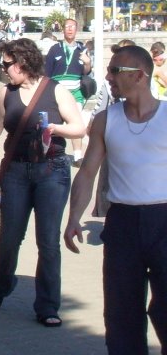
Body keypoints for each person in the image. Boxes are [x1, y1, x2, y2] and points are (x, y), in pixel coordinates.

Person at [0, 38, 86, 327]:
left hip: (52, 171)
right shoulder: (6, 93)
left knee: (48, 242)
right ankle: (1, 286)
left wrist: (56, 129)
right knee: (9, 238)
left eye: (6, 64)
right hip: (16, 172)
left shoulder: (57, 90)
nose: (3, 69)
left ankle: (48, 306)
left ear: (23, 63)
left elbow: (79, 127)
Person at [64, 45, 167, 353]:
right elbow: (86, 173)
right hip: (123, 223)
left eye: (114, 71)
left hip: (164, 221)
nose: (107, 76)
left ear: (139, 75)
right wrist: (72, 219)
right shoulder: (106, 120)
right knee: (122, 314)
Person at [44, 18, 92, 165]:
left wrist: (88, 62)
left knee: (75, 123)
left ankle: (77, 156)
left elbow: (86, 72)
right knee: (53, 125)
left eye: (72, 27)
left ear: (76, 30)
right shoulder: (55, 49)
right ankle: (49, 152)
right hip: (57, 93)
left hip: (76, 93)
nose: (70, 29)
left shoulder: (82, 49)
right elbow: (47, 73)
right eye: (67, 27)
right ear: (63, 30)